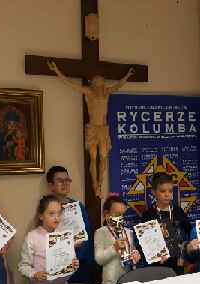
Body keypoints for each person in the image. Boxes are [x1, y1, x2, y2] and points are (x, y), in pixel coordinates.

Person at [47, 60, 134, 197]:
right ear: (93, 83)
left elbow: (118, 85)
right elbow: (70, 84)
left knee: (103, 156)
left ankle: (100, 183)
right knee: (93, 157)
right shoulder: (89, 92)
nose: (100, 84)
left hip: (103, 129)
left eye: (101, 82)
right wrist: (56, 70)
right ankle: (94, 184)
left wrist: (128, 75)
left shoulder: (106, 92)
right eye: (97, 82)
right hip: (92, 128)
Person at [18, 195, 79, 284]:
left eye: (59, 213)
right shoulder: (32, 237)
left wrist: (74, 265)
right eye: (51, 214)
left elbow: (70, 265)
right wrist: (34, 274)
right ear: (41, 216)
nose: (56, 218)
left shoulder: (64, 236)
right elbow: (23, 266)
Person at [46, 165, 95, 284]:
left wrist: (80, 255)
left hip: (82, 263)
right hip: (60, 263)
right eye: (60, 180)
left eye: (67, 180)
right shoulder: (46, 207)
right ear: (51, 185)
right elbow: (45, 236)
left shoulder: (78, 206)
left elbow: (87, 234)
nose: (65, 183)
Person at [141, 172, 191, 275]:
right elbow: (145, 241)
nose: (167, 194)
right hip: (158, 263)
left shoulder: (178, 211)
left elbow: (190, 231)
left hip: (177, 261)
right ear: (153, 192)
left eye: (170, 191)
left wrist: (186, 246)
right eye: (162, 191)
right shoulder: (148, 215)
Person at [94, 195, 141, 284]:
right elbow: (99, 259)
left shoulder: (128, 232)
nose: (121, 218)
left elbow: (132, 250)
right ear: (107, 214)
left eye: (123, 214)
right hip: (110, 283)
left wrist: (136, 255)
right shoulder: (100, 232)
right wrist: (114, 248)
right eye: (117, 214)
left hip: (128, 279)